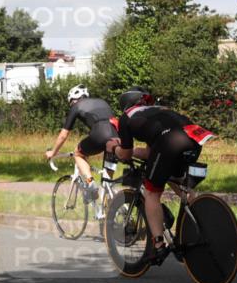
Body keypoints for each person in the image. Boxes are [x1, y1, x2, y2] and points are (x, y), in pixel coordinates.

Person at [106, 87, 214, 263]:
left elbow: (124, 155)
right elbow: (151, 153)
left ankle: (158, 246)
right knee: (179, 183)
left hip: (169, 142)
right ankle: (203, 221)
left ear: (125, 104)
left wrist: (114, 148)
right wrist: (133, 152)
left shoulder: (127, 118)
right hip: (194, 138)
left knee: (151, 193)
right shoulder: (157, 110)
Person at [44, 85, 117, 201]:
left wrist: (53, 152)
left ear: (74, 99)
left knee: (78, 153)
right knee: (107, 183)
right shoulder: (102, 101)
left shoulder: (76, 106)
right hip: (116, 137)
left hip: (100, 133)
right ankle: (109, 214)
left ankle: (90, 182)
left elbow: (63, 135)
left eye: (71, 103)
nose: (71, 105)